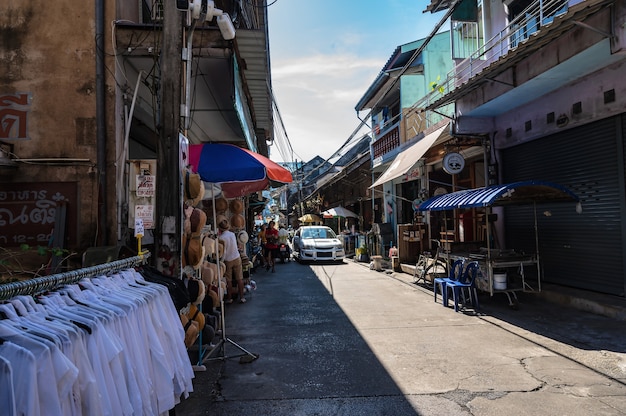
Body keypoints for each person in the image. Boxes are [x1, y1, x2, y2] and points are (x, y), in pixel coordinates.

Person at [217, 216, 246, 303]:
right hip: (236, 257)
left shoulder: (221, 238)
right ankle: (242, 297)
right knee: (239, 278)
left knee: (228, 280)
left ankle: (230, 298)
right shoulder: (232, 234)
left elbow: (223, 251)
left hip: (227, 260)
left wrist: (221, 260)